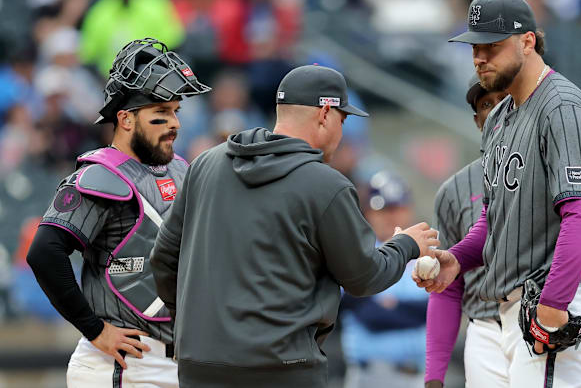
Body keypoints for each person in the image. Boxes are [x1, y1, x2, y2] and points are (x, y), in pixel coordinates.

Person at [150, 65, 441, 388]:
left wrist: (189, 331)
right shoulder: (326, 184)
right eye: (342, 121)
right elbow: (364, 276)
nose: (342, 134)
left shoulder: (206, 164)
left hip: (201, 365)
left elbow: (163, 258)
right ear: (325, 114)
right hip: (282, 369)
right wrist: (406, 245)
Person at [417, 0, 581, 387]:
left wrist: (555, 304)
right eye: (475, 46)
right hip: (513, 307)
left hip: (564, 299)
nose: (479, 57)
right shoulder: (499, 119)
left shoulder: (562, 107)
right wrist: (457, 259)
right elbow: (495, 221)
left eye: (492, 45)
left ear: (527, 41)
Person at [424, 76, 581, 387]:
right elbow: (448, 288)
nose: (497, 111)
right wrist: (434, 375)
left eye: (504, 100)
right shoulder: (454, 191)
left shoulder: (575, 175)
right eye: (486, 104)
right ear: (477, 119)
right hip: (486, 329)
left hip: (546, 322)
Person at [26, 38, 210, 387]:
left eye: (175, 112)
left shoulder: (181, 170)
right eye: (161, 114)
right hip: (124, 364)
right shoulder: (100, 175)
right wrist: (95, 330)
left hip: (180, 360)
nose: (175, 124)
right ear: (125, 119)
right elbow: (44, 253)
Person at [340, 171, 428, 388]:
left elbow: (435, 309)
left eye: (398, 208)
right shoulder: (356, 254)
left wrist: (394, 306)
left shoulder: (430, 253)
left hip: (417, 375)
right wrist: (413, 310)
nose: (392, 216)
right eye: (384, 209)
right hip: (369, 374)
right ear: (368, 213)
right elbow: (370, 314)